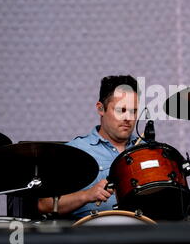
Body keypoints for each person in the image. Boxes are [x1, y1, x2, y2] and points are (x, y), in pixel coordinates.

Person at [38, 75, 140, 219]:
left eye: (133, 111)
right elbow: (45, 204)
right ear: (100, 109)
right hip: (92, 237)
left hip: (143, 234)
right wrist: (86, 195)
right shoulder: (76, 151)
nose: (128, 117)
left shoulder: (146, 150)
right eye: (120, 110)